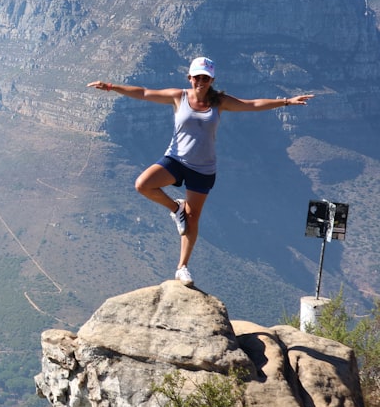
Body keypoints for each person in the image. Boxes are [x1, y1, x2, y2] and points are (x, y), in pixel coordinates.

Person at [87, 56, 314, 287]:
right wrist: (111, 87)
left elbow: (252, 104)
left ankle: (182, 267)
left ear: (212, 79)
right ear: (190, 77)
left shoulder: (220, 102)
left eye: (205, 78)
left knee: (193, 219)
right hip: (175, 159)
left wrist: (286, 101)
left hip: (203, 169)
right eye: (197, 77)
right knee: (143, 184)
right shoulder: (179, 96)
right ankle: (176, 208)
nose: (201, 82)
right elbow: (145, 92)